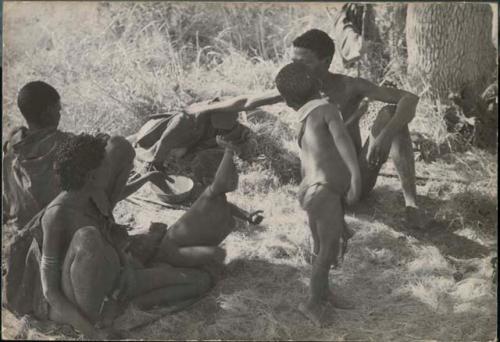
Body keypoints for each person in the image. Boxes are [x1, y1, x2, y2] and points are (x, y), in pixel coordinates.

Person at [39, 134, 212, 339]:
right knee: (88, 237)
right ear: (91, 176)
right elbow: (50, 292)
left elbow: (110, 239)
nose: (110, 169)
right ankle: (104, 318)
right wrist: (92, 334)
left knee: (200, 281)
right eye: (105, 164)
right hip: (82, 300)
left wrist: (127, 268)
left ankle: (128, 308)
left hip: (115, 282)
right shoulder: (57, 214)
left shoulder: (95, 195)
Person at [256, 29, 422, 228]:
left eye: (304, 63)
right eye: (293, 62)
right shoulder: (297, 87)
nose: (296, 68)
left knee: (391, 113)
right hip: (319, 187)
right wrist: (210, 108)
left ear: (325, 62)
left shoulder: (349, 86)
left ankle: (412, 205)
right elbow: (246, 101)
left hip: (355, 180)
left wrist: (386, 135)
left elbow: (409, 98)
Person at [275, 62, 361, 326]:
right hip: (324, 192)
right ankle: (311, 301)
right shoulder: (327, 109)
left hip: (312, 192)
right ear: (319, 83)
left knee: (319, 246)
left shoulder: (307, 119)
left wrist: (355, 118)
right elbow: (342, 140)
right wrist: (356, 175)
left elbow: (321, 149)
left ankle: (323, 291)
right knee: (328, 251)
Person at [130, 94, 279, 184]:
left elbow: (239, 138)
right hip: (155, 137)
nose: (222, 130)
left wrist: (229, 146)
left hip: (190, 141)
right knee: (178, 153)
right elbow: (163, 144)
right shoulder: (186, 121)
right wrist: (158, 167)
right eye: (220, 128)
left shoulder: (225, 120)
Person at [2, 81, 72, 228]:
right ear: (47, 113)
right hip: (54, 229)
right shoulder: (62, 143)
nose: (59, 115)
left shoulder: (10, 149)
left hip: (19, 231)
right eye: (58, 110)